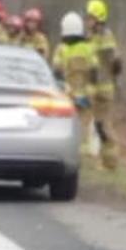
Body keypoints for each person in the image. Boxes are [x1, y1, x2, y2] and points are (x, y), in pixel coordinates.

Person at [51, 12, 101, 166]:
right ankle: (85, 156)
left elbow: (56, 71)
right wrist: (90, 92)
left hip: (67, 95)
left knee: (66, 125)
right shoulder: (89, 48)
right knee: (85, 126)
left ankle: (68, 153)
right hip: (85, 94)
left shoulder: (61, 49)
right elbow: (95, 70)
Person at [85, 0, 123, 169]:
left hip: (103, 88)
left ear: (99, 18)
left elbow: (112, 61)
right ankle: (91, 157)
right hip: (93, 87)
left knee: (102, 125)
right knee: (88, 121)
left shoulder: (106, 37)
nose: (88, 21)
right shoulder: (91, 37)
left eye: (91, 18)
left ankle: (110, 161)